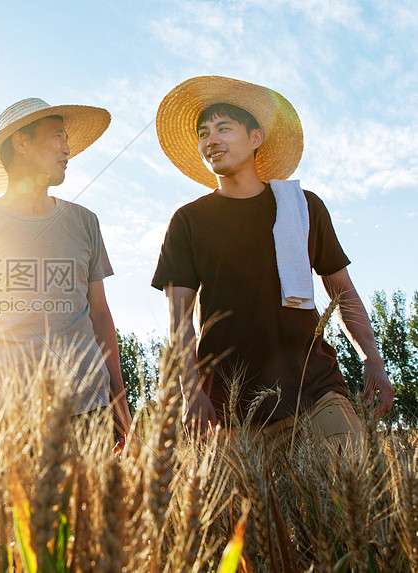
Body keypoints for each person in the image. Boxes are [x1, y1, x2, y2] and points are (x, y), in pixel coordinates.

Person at [150, 76, 394, 449]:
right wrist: (191, 393)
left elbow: (342, 290)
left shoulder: (303, 208)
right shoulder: (188, 221)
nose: (210, 139)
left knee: (354, 497)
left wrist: (372, 357)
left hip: (315, 393)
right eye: (203, 133)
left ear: (255, 138)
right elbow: (179, 321)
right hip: (229, 411)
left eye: (223, 128)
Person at [0, 98, 132, 455]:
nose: (67, 149)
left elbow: (100, 315)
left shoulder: (85, 222)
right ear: (22, 142)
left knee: (89, 513)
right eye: (57, 137)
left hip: (87, 409)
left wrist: (118, 401)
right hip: (2, 412)